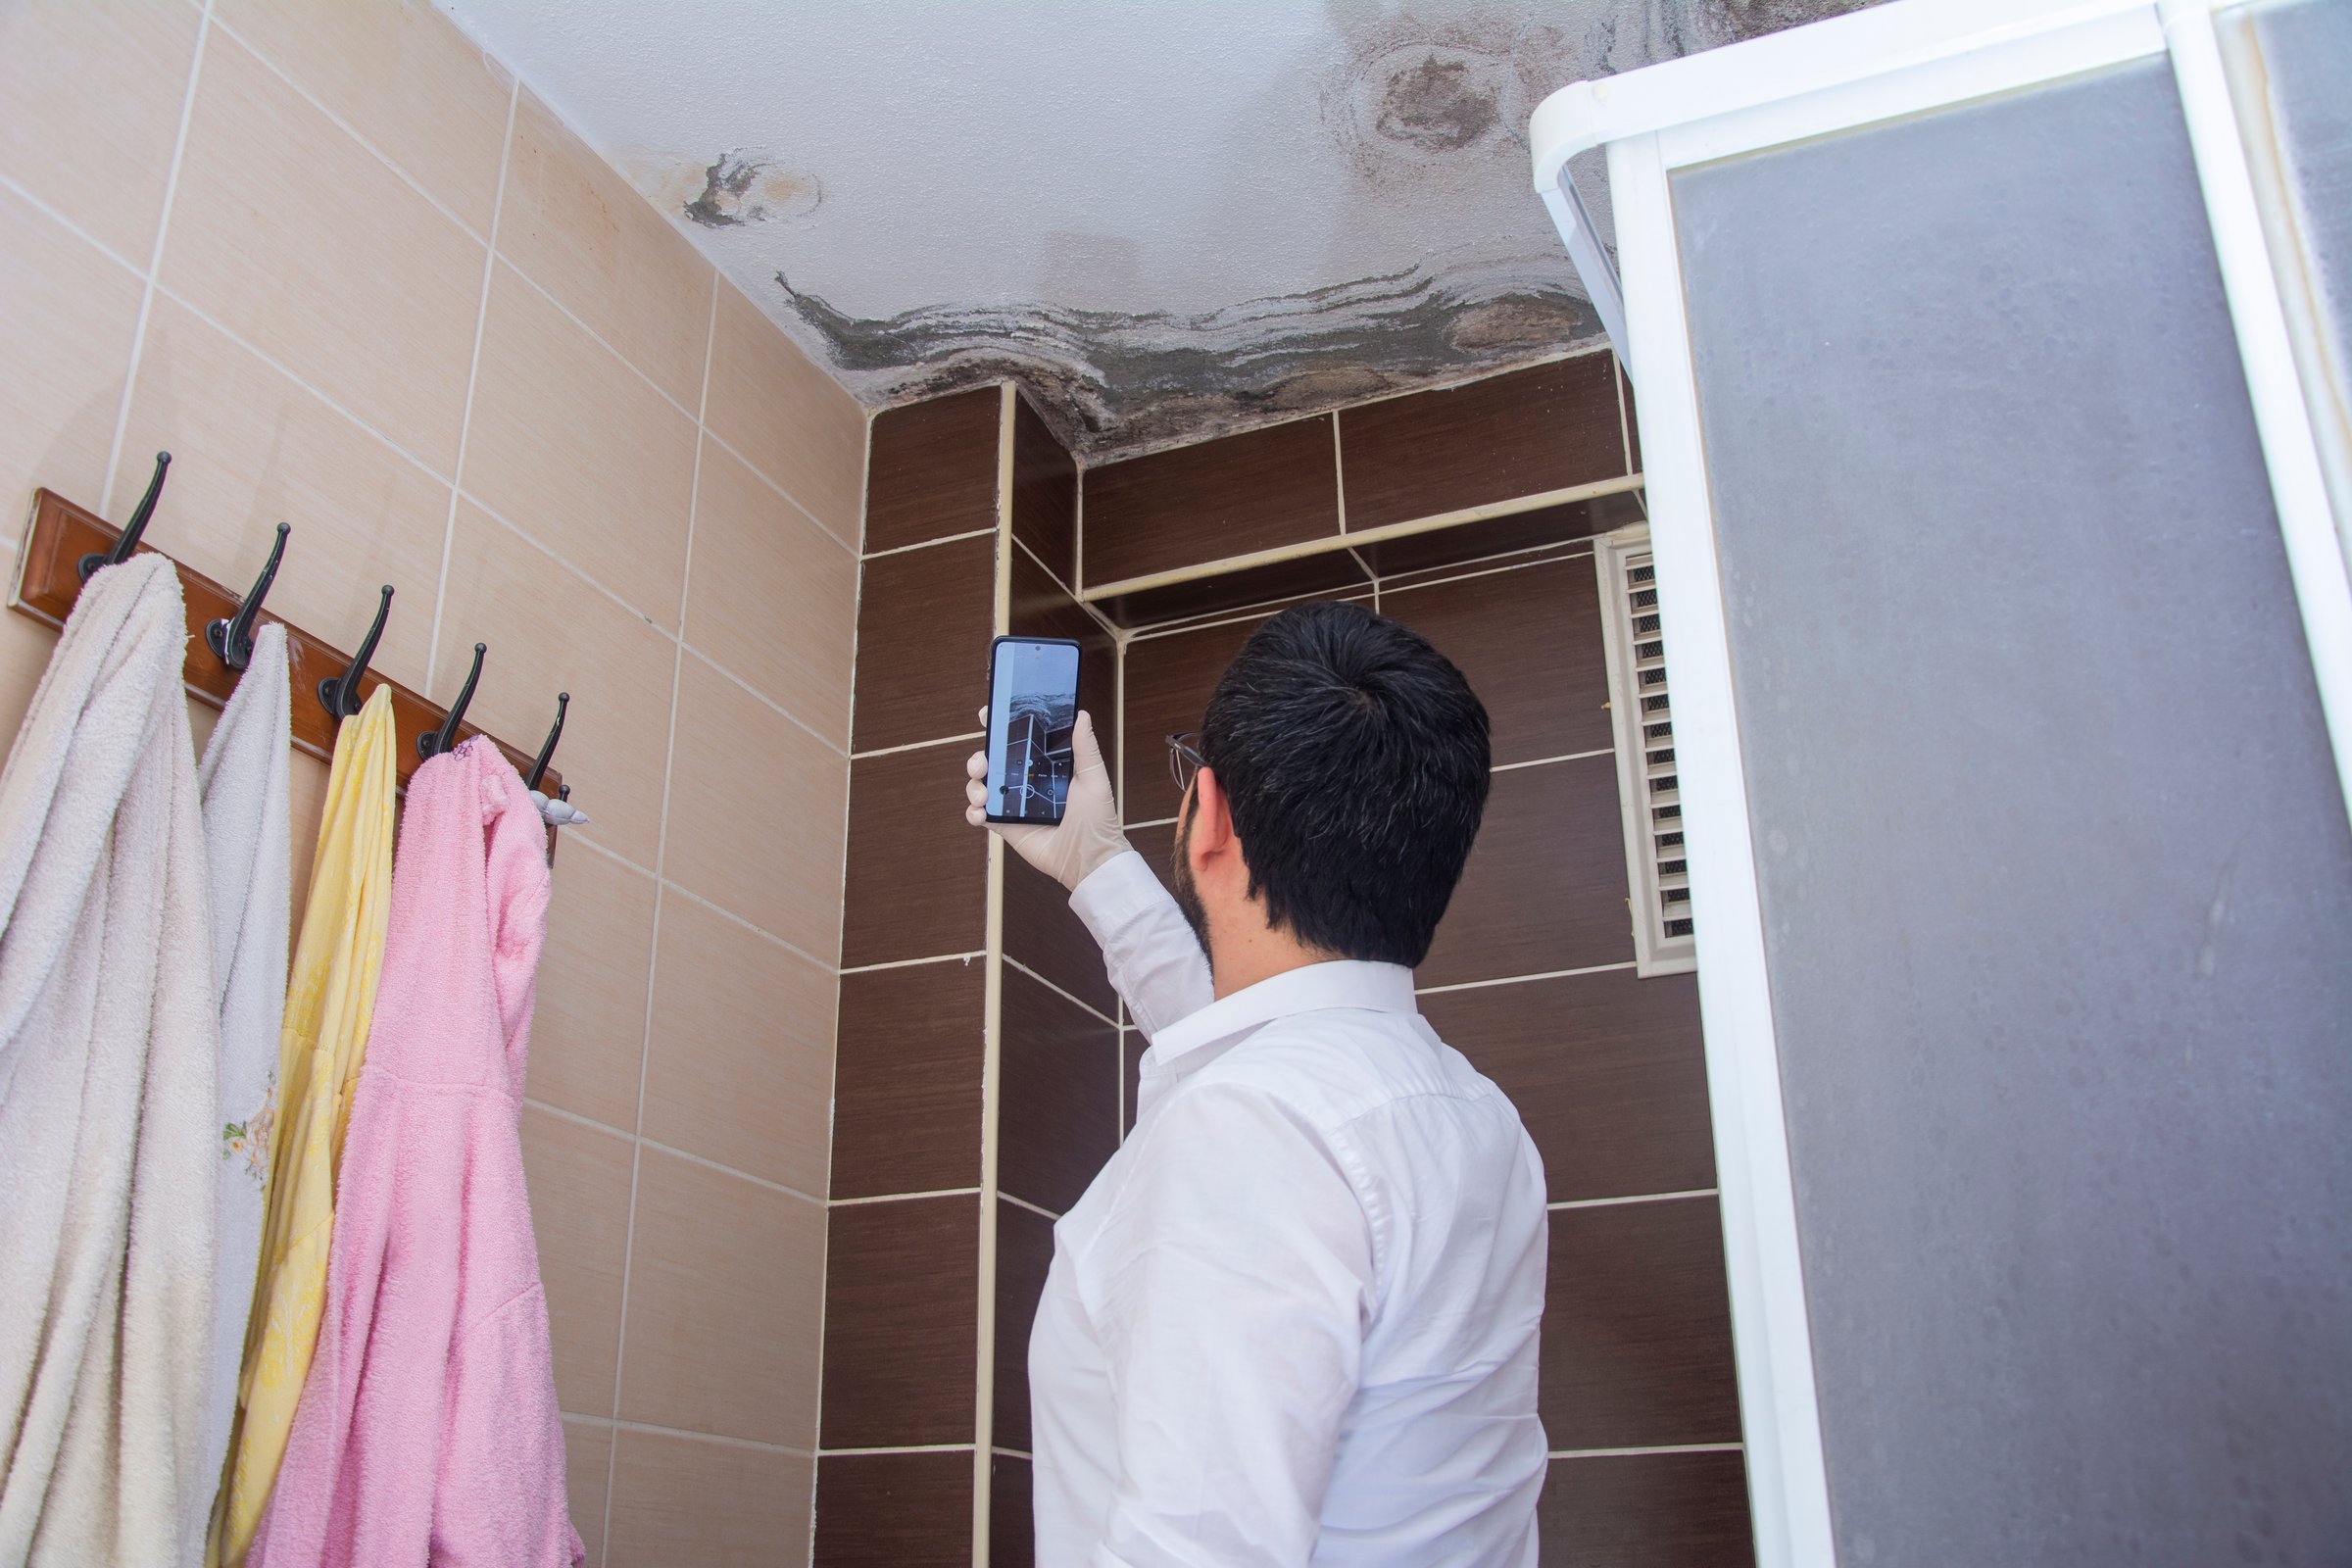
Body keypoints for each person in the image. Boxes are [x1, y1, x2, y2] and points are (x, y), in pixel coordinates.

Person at [963, 601, 1547, 1567]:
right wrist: (1094, 863)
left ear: (1211, 816)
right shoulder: (1474, 1117)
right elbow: (1259, 1053)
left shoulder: (1257, 1127)